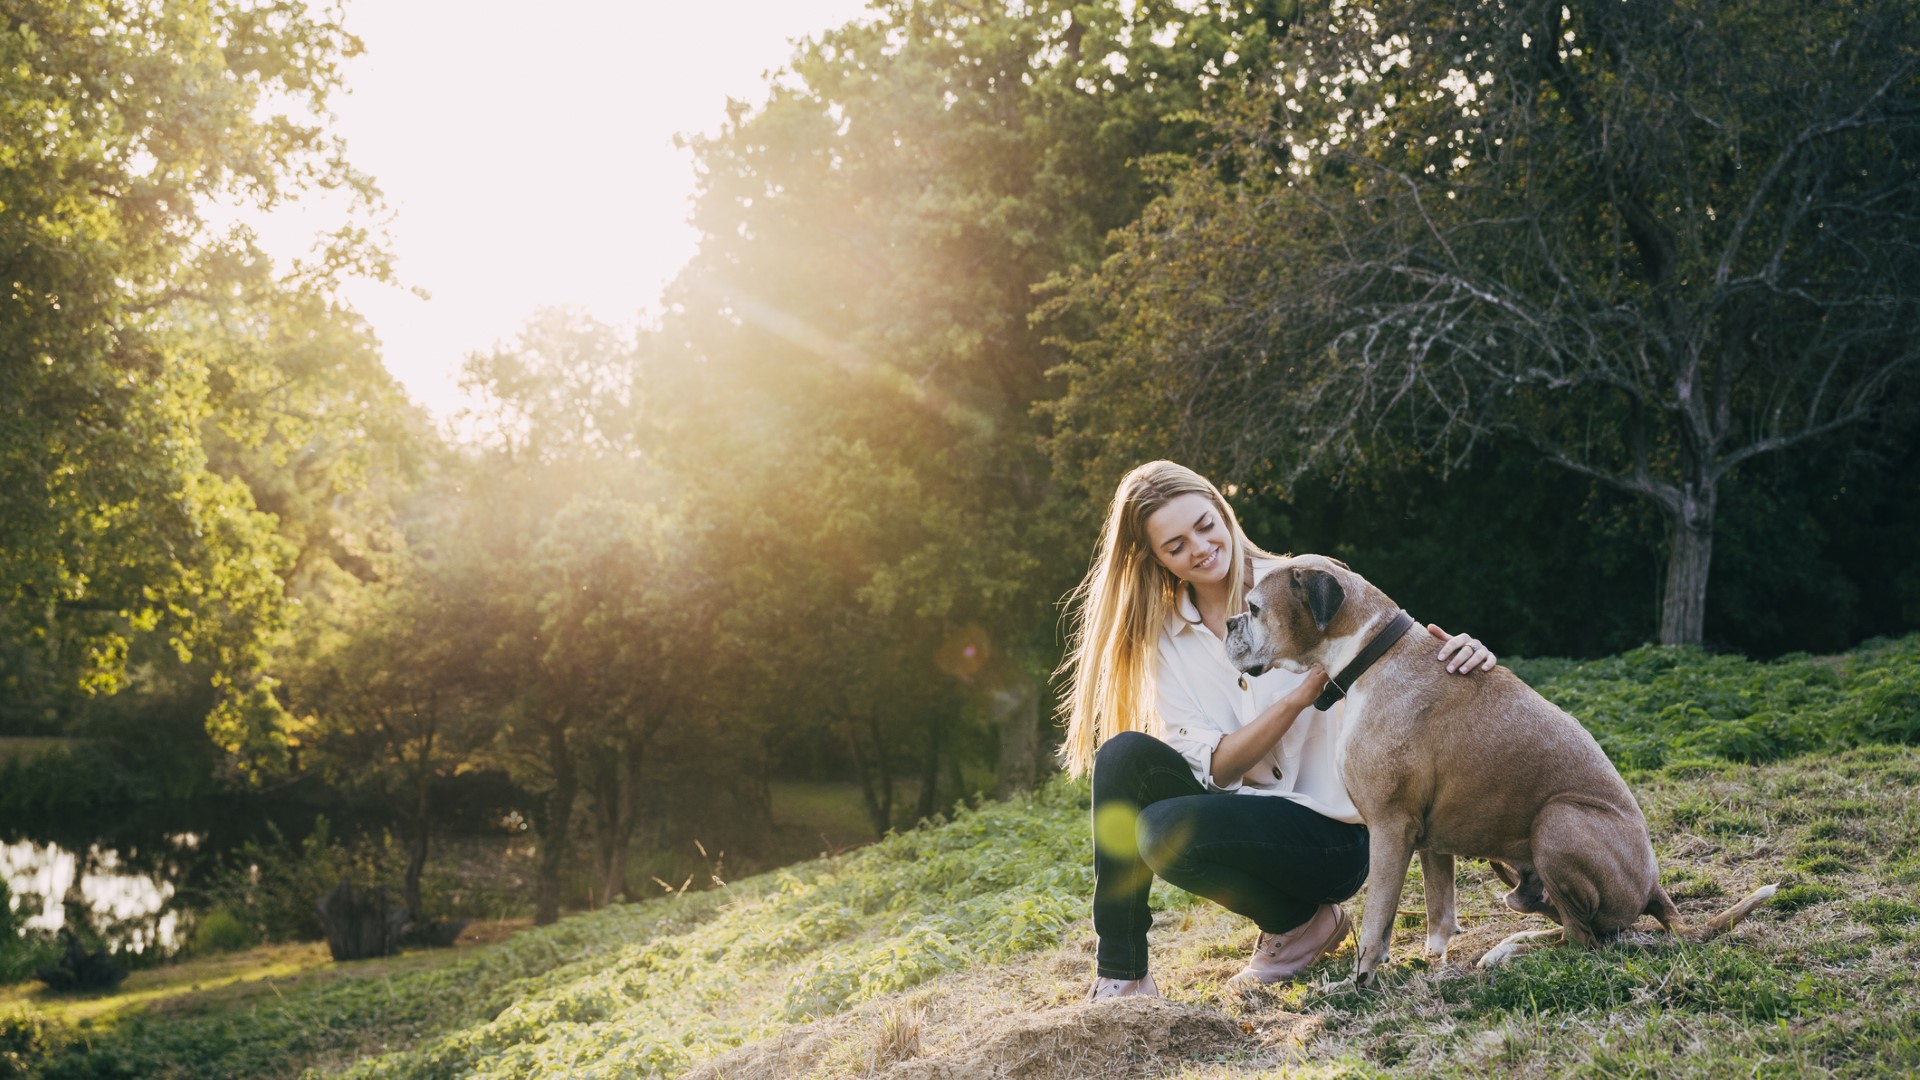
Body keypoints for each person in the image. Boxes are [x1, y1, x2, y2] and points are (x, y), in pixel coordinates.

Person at [1056, 460, 1495, 999]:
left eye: (1204, 524)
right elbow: (1215, 768)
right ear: (1156, 559)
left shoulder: (1301, 581)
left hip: (1335, 836)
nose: (1199, 547)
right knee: (1122, 756)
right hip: (1250, 820)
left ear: (1223, 511)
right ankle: (1123, 977)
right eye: (1175, 546)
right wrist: (1295, 701)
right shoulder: (1166, 638)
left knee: (1162, 832)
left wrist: (1466, 651)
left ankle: (1298, 923)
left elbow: (1395, 646)